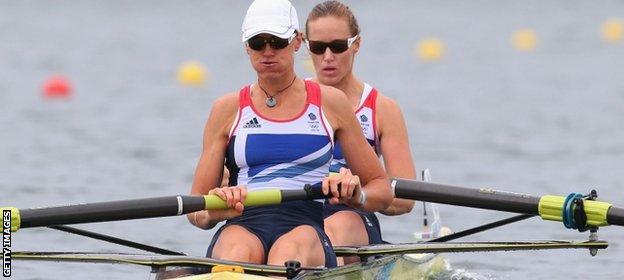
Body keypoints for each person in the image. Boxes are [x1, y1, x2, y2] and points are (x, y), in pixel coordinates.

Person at [187, 0, 393, 269]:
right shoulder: (226, 109)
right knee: (234, 254)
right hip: (242, 221)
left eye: (277, 41)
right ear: (246, 47)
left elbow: (381, 188)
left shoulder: (330, 103)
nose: (268, 51)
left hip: (304, 223)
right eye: (258, 43)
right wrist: (212, 214)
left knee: (286, 256)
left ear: (296, 42)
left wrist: (357, 196)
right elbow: (196, 208)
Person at [304, 1, 416, 263]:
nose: (328, 56)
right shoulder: (290, 101)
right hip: (297, 212)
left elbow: (405, 199)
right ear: (306, 46)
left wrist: (359, 194)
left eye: (338, 46)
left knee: (338, 228)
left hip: (353, 216)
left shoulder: (383, 109)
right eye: (318, 48)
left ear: (356, 44)